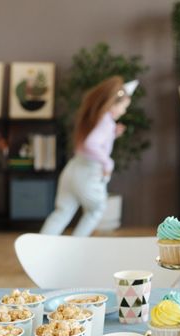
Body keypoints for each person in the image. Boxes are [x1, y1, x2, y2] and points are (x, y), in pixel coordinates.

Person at [40, 77, 137, 236]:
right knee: (96, 210)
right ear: (113, 103)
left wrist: (112, 134)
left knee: (62, 212)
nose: (123, 111)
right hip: (88, 173)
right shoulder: (106, 122)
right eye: (123, 107)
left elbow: (91, 142)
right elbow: (91, 144)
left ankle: (40, 247)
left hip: (73, 169)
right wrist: (108, 163)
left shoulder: (94, 118)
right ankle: (76, 247)